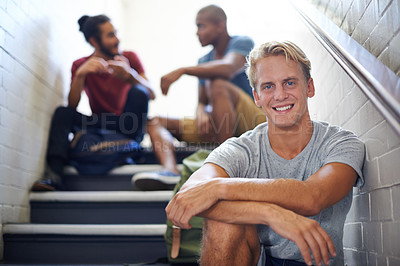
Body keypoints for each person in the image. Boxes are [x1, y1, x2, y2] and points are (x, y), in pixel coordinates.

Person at [165, 41, 365, 265]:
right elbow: (187, 196)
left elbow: (313, 197)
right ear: (257, 97)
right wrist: (269, 213)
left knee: (221, 209)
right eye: (268, 86)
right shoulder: (241, 149)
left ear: (309, 87)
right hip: (257, 258)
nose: (279, 95)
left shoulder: (341, 143)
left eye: (289, 83)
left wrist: (219, 188)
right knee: (224, 223)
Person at [133, 5, 266, 190]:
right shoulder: (204, 61)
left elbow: (228, 68)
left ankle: (225, 164)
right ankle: (170, 170)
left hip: (253, 121)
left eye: (201, 26)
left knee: (218, 83)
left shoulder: (242, 42)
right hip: (221, 124)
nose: (197, 32)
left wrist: (183, 70)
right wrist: (202, 113)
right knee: (155, 122)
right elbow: (202, 102)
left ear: (220, 25)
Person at [32, 14, 156, 191]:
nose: (117, 39)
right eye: (110, 35)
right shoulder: (81, 65)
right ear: (94, 41)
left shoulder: (129, 58)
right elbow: (72, 105)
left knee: (139, 91)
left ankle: (131, 145)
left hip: (128, 124)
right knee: (63, 112)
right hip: (100, 123)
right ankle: (54, 174)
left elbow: (151, 94)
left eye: (116, 33)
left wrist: (131, 76)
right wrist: (81, 75)